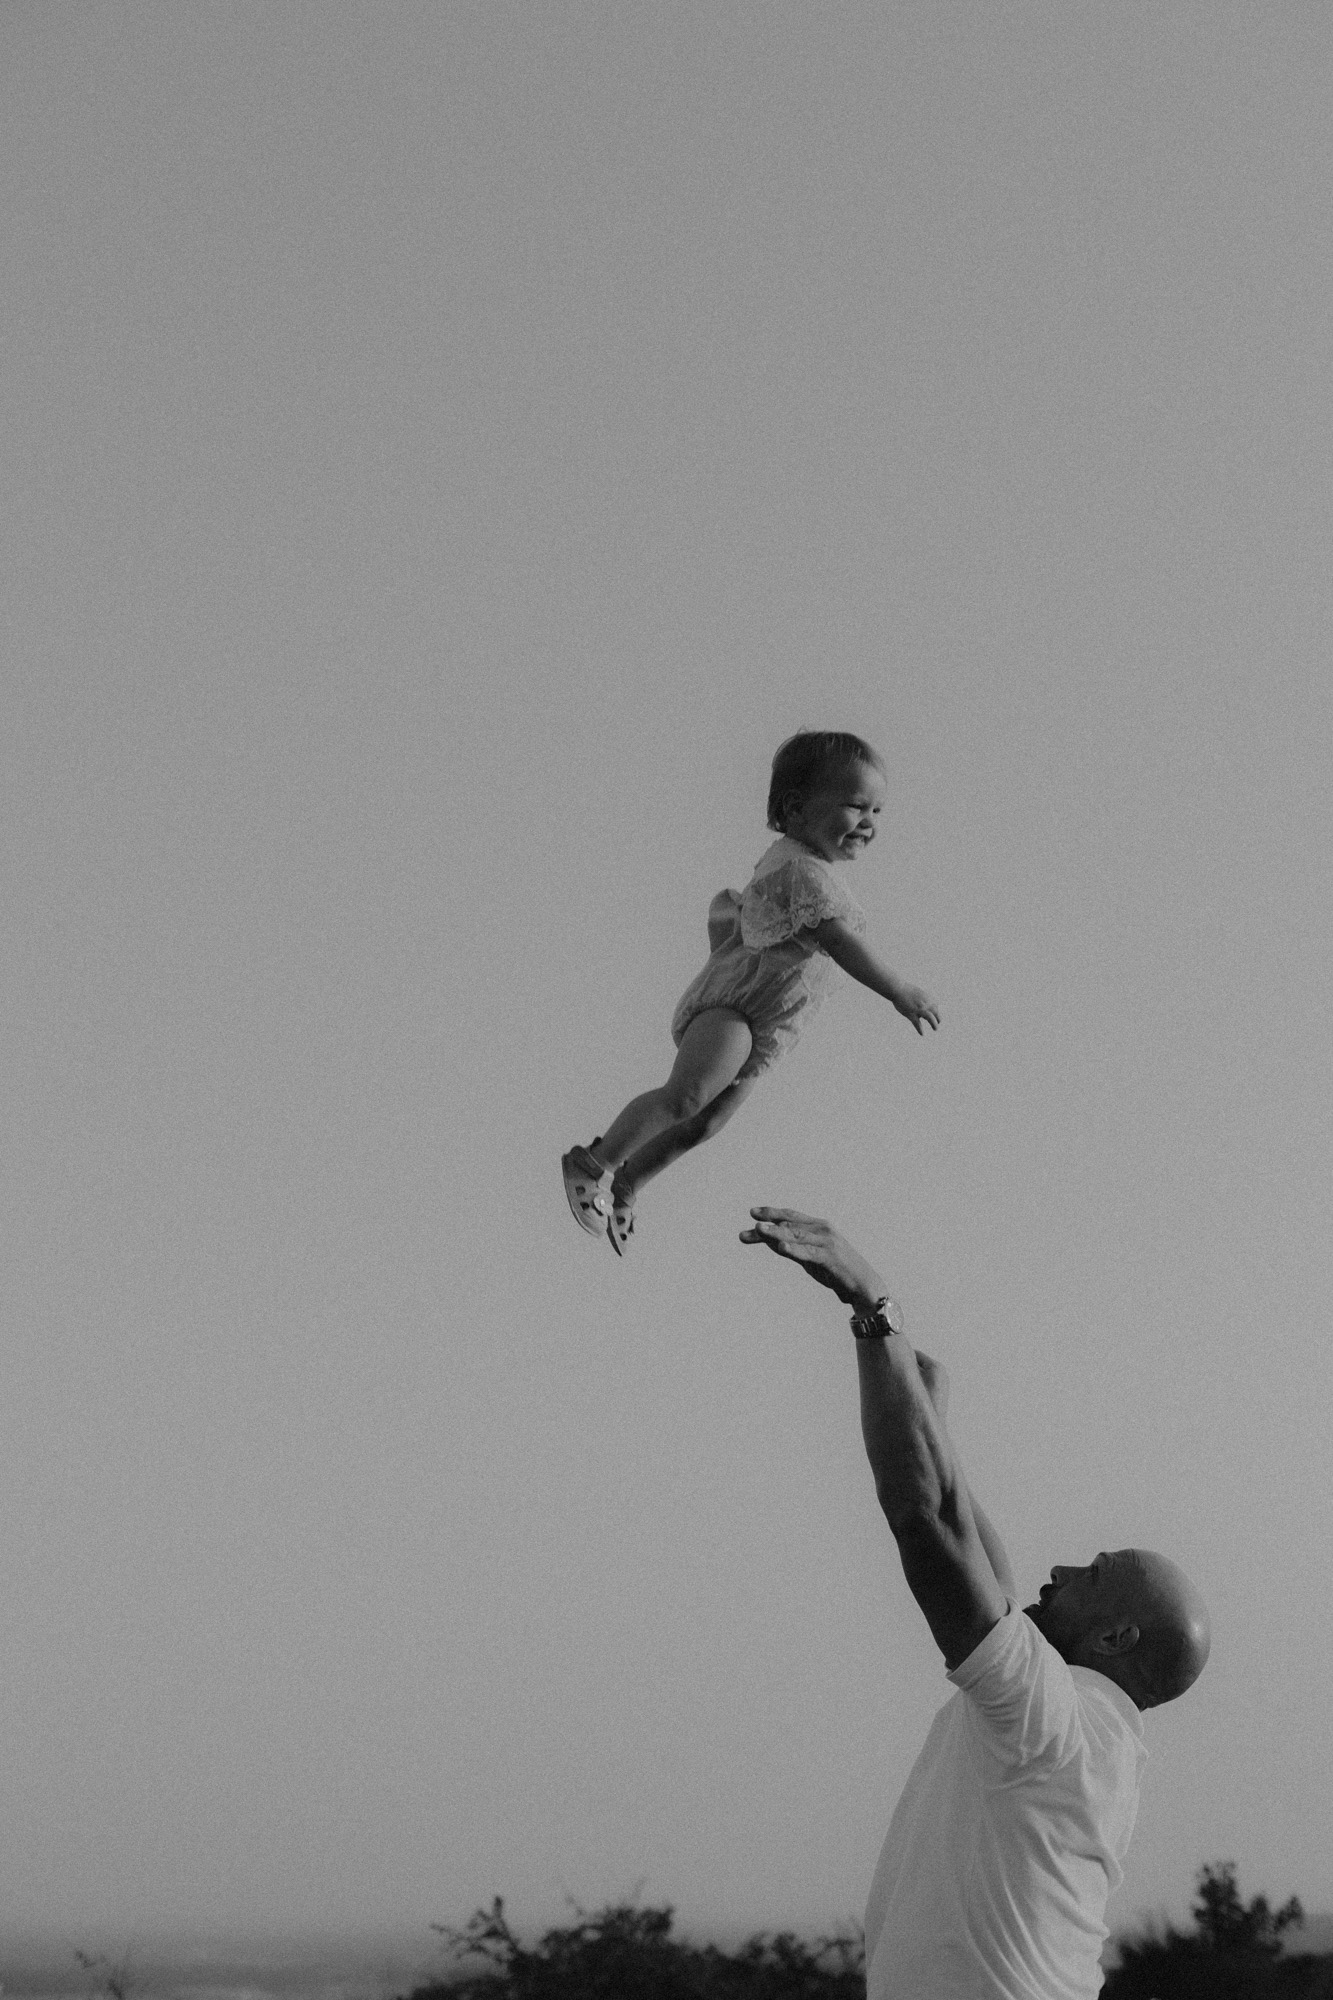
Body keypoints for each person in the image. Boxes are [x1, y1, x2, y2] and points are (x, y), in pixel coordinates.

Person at [739, 1205, 1212, 2000]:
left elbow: (925, 1521)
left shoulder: (1050, 1721)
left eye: (1092, 1574)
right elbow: (976, 1557)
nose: (1061, 1568)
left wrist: (872, 1310)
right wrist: (930, 1422)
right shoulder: (1082, 1731)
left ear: (1114, 1637)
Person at [561, 731, 940, 1255]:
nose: (869, 822)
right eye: (856, 806)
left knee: (705, 1123)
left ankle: (629, 1183)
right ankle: (594, 1163)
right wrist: (898, 989)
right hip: (737, 1007)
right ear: (796, 809)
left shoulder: (812, 870)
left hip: (768, 1026)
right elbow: (839, 941)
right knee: (687, 1096)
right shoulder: (800, 870)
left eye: (877, 810)